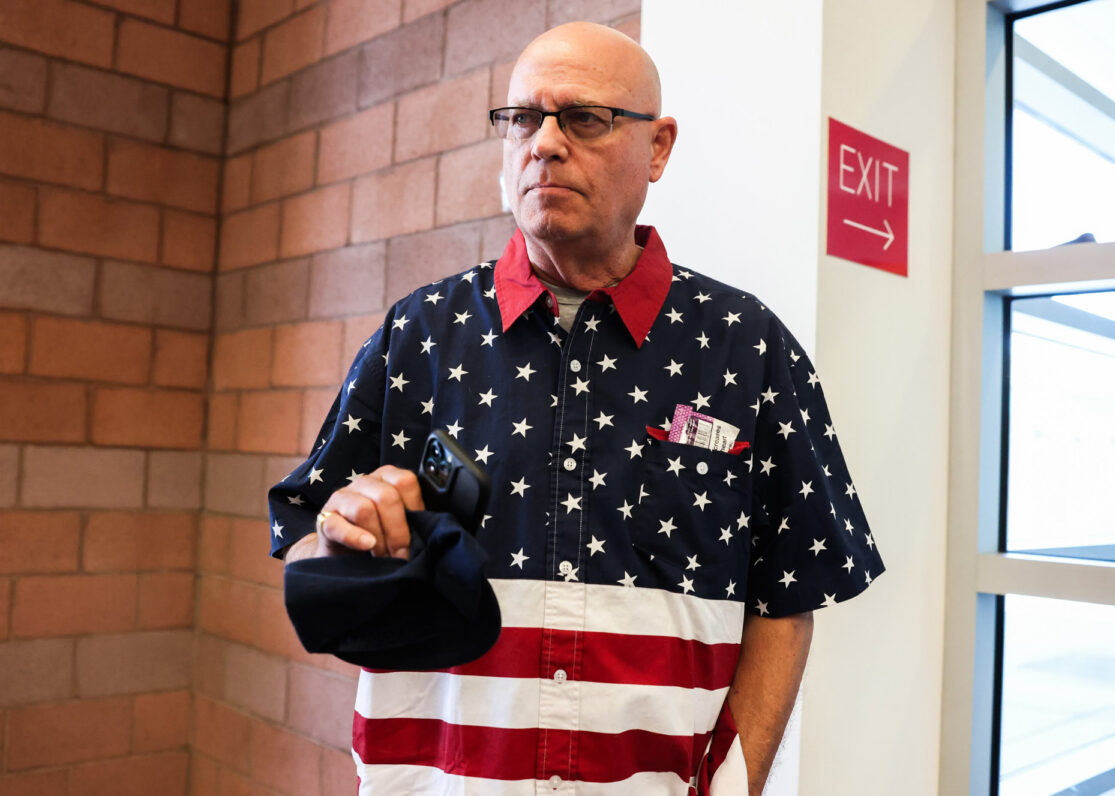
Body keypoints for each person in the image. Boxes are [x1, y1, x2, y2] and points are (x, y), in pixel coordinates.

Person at [268, 21, 884, 796]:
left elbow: (789, 596)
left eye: (585, 119)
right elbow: (304, 543)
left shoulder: (749, 348)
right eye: (523, 118)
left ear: (658, 148)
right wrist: (344, 533)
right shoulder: (419, 333)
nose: (545, 144)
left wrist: (737, 785)